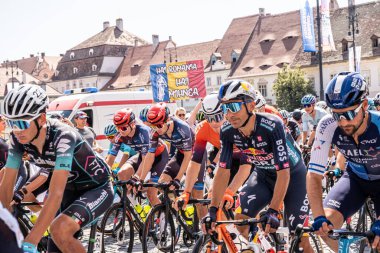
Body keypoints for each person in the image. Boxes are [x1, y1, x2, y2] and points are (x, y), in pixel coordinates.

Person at [0, 84, 113, 253]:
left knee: (59, 229)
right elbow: (7, 185)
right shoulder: (17, 140)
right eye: (11, 123)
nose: (16, 130)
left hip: (97, 188)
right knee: (54, 246)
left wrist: (31, 242)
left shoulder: (63, 136)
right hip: (70, 189)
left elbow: (55, 193)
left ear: (42, 119)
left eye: (22, 123)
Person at [202, 80, 311, 252]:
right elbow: (223, 170)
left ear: (251, 105)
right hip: (263, 175)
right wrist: (213, 209)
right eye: (225, 108)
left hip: (293, 176)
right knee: (241, 220)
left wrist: (274, 211)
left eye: (235, 106)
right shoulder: (227, 131)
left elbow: (284, 172)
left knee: (300, 239)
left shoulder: (272, 125)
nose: (229, 114)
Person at [307, 72, 380, 251]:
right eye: (337, 114)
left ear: (364, 105)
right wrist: (318, 217)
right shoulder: (328, 125)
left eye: (348, 113)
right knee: (326, 227)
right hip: (355, 179)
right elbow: (314, 175)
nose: (342, 121)